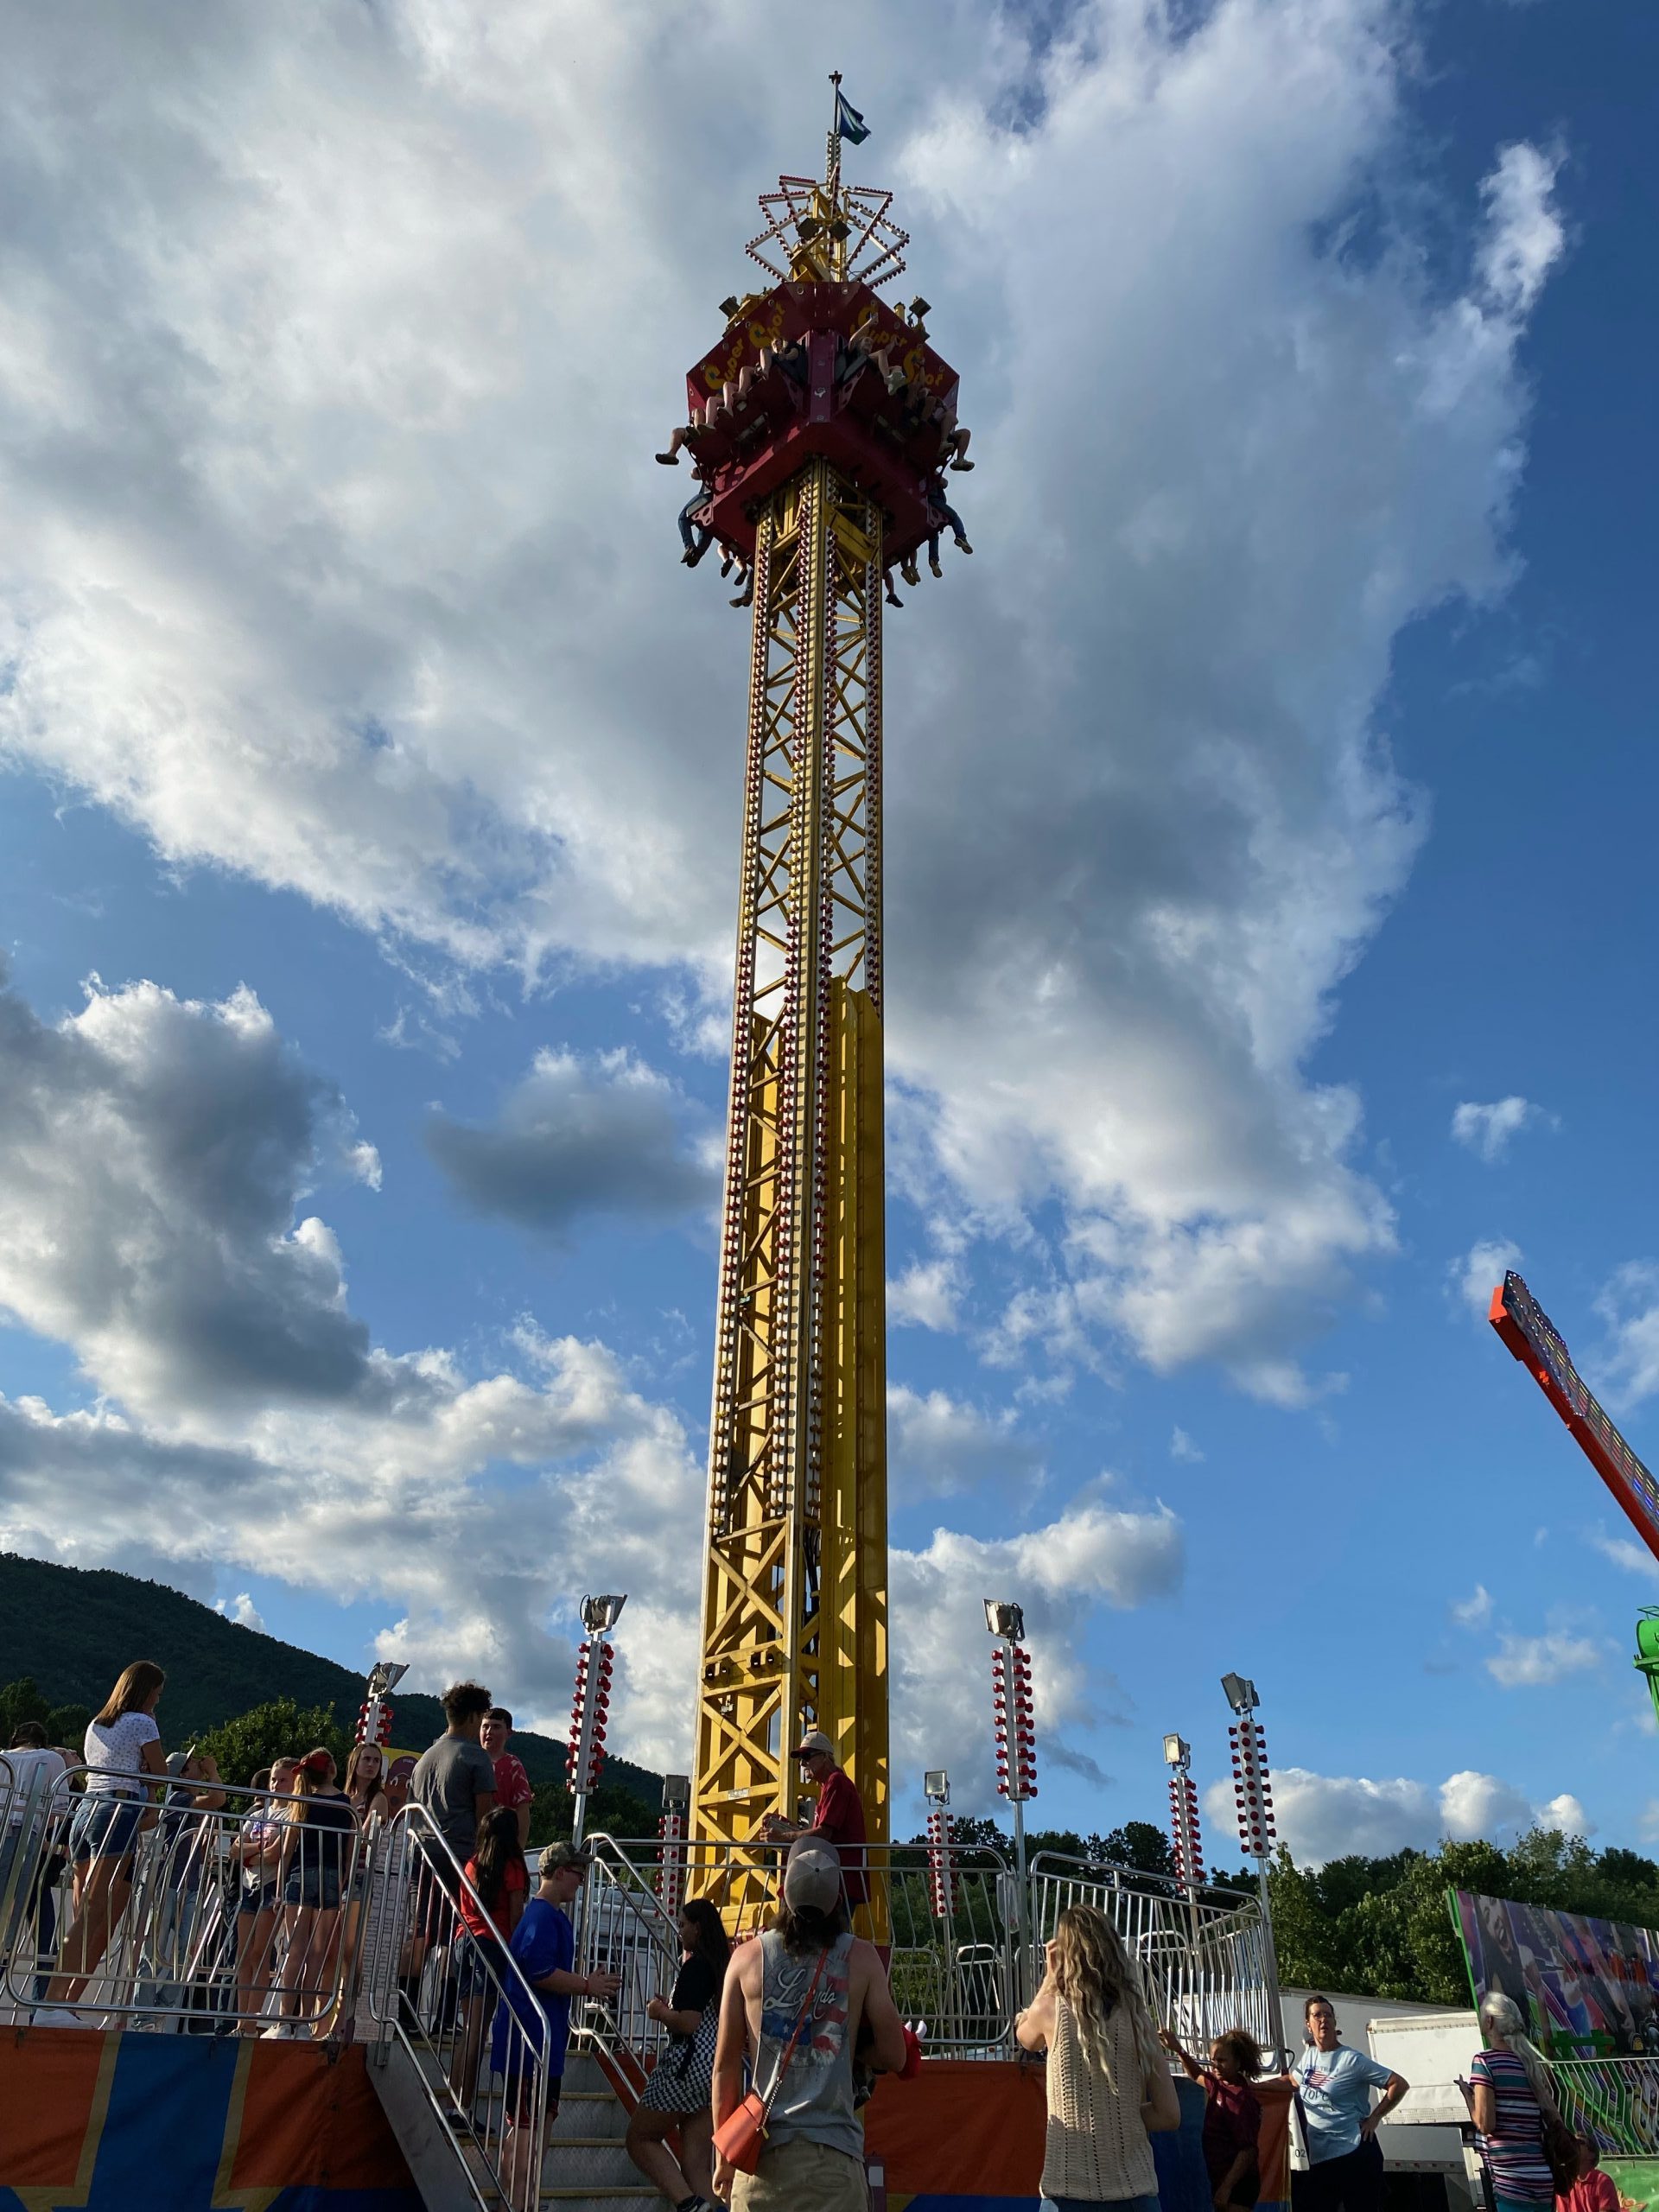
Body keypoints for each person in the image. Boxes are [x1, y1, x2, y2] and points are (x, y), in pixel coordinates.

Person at [713, 1836, 907, 2212]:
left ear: (784, 1889)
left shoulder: (746, 1959)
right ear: (838, 1898)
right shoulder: (863, 1959)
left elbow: (724, 2066)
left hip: (762, 2161)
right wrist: (854, 2049)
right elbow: (896, 2055)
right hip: (834, 2164)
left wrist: (723, 2153)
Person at [1014, 1902, 1180, 2212]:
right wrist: (1121, 2118)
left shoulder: (1050, 2009)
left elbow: (1025, 2037)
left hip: (1067, 2190)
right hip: (1136, 2192)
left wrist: (1049, 1977)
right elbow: (1169, 2115)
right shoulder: (1138, 2018)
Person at [493, 1841, 621, 2212]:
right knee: (528, 2129)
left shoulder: (551, 1917)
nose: (581, 1881)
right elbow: (539, 1970)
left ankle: (525, 2200)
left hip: (542, 2044)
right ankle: (515, 2203)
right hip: (530, 2042)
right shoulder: (542, 1917)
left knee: (538, 2125)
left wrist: (584, 1983)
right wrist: (586, 1985)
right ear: (561, 1872)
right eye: (578, 1873)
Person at [38, 1659, 168, 2018]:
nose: (157, 1700)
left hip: (88, 1813)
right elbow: (160, 1775)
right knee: (94, 1913)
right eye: (156, 1693)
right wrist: (148, 1770)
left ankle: (59, 2002)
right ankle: (52, 2000)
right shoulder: (142, 1722)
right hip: (117, 1811)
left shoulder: (98, 1723)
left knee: (87, 1913)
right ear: (146, 1691)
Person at [626, 1896, 731, 2211]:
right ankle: (710, 2206)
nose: (680, 1931)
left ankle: (687, 2204)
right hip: (711, 2072)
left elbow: (688, 2022)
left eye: (683, 1925)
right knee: (696, 2165)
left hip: (685, 2067)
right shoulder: (721, 1968)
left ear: (697, 1929)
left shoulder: (695, 1966)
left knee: (639, 2139)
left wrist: (659, 2011)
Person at [1289, 1994, 1408, 2212]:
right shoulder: (1309, 2058)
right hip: (1323, 2157)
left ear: (1335, 2021)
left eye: (1328, 2015)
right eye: (1317, 2015)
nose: (1323, 2020)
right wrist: (1251, 2086)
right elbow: (1291, 2082)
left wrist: (1374, 2118)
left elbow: (1398, 2084)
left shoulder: (1351, 2059)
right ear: (1308, 2024)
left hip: (1354, 2153)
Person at [136, 1747, 226, 2024]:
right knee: (154, 1950)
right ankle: (144, 2010)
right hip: (169, 1884)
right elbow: (219, 1798)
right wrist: (213, 1772)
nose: (199, 1764)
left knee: (188, 1951)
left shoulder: (189, 1801)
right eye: (194, 1763)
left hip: (190, 1885)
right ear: (185, 1773)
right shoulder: (179, 1798)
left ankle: (161, 2004)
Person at [448, 1803, 529, 2110]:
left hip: (464, 1941)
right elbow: (515, 1916)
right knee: (477, 2033)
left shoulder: (473, 1863)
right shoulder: (512, 1866)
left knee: (468, 2029)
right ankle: (463, 2107)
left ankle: (454, 2100)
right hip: (492, 1946)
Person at [270, 1748, 355, 2037]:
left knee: (295, 1951)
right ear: (332, 1768)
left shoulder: (302, 1800)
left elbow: (287, 1848)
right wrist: (343, 1880)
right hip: (331, 1878)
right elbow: (349, 1851)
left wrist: (281, 1888)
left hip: (300, 1876)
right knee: (318, 1955)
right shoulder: (346, 1805)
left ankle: (284, 2020)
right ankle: (307, 2021)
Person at [1469, 1990, 1561, 2212]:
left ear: (1489, 2021)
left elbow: (1485, 2124)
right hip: (1542, 2178)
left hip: (1511, 2180)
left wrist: (1468, 2097)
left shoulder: (1485, 2062)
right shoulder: (1529, 2063)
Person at [760, 1731, 868, 1912]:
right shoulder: (830, 1785)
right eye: (801, 1758)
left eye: (807, 1756)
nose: (802, 1763)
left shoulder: (836, 1783)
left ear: (825, 1757)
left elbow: (824, 1833)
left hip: (839, 1879)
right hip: (836, 1878)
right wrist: (788, 1828)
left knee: (830, 1937)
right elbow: (822, 1833)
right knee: (830, 1938)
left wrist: (784, 1836)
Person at [1161, 2025, 1264, 2209]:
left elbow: (1248, 2151)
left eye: (1222, 2060)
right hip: (1220, 2178)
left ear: (1238, 2062)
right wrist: (1178, 2049)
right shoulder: (1218, 2085)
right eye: (1213, 2060)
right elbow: (1197, 2074)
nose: (1215, 2065)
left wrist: (1226, 2187)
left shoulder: (1243, 2100)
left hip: (1239, 2184)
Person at [232, 1757, 299, 2029]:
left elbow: (276, 1853)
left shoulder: (292, 1815)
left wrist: (250, 1853)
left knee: (261, 1951)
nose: (275, 1784)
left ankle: (251, 2020)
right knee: (244, 1953)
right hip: (249, 1883)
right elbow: (235, 1850)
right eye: (273, 1779)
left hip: (272, 1885)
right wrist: (253, 1854)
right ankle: (240, 2019)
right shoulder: (258, 1815)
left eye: (283, 1779)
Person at [2, 1722, 67, 1974]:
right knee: (11, 1914)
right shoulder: (51, 1759)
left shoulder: (2, 1759)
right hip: (25, 1835)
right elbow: (58, 1809)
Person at [480, 1710, 532, 1850]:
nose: (489, 1731)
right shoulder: (469, 1758)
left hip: (499, 1843)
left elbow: (523, 1811)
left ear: (508, 1733)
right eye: (485, 1726)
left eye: (496, 1727)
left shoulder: (513, 1765)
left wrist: (518, 1849)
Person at [1564, 2134, 1618, 2212]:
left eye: (1579, 2142)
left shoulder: (1603, 2182)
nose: (1572, 2145)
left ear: (1591, 2155)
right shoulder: (1566, 2182)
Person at [679, 490, 715, 568]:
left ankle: (690, 547)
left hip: (708, 496)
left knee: (683, 518)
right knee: (707, 528)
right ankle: (698, 553)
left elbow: (694, 476)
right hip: (713, 502)